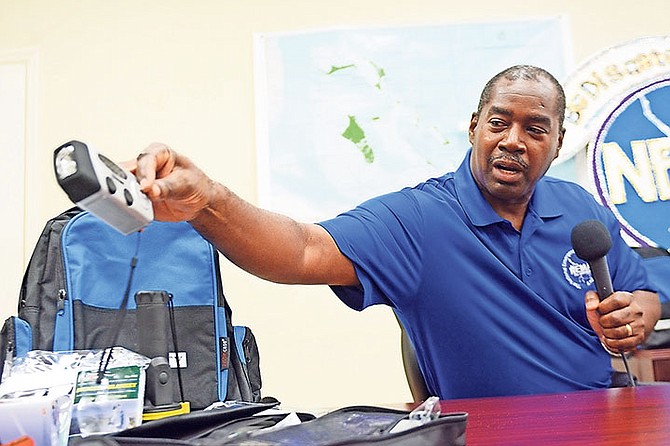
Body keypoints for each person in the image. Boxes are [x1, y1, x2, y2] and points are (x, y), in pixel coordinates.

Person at [131, 65, 660, 399]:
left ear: (558, 140)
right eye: (499, 122)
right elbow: (301, 251)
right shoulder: (418, 220)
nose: (514, 140)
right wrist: (209, 202)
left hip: (601, 416)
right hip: (489, 432)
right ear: (474, 126)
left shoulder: (577, 207)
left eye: (535, 128)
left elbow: (646, 294)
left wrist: (639, 314)